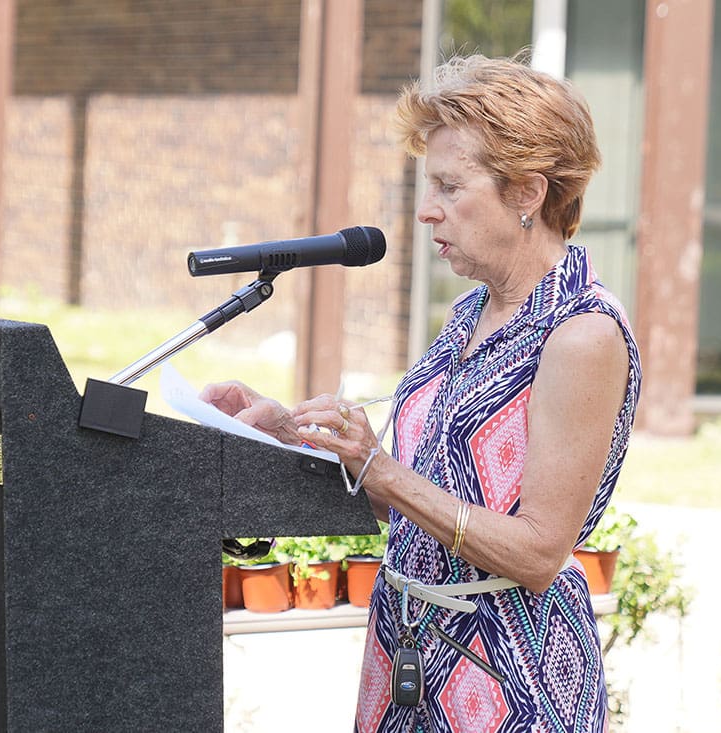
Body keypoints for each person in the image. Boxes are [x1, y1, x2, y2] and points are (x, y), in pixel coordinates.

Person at [200, 53, 641, 733]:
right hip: (409, 657)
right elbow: (418, 499)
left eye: (450, 186)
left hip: (509, 681)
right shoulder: (470, 312)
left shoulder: (582, 334)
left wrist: (384, 469)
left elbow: (538, 552)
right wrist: (297, 435)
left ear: (527, 192)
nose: (426, 211)